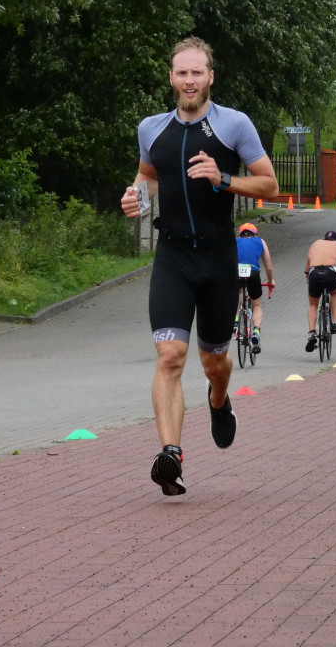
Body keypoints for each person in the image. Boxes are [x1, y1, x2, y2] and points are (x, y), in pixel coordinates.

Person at [120, 37, 279, 497]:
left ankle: (219, 399)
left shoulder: (234, 125)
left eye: (197, 73)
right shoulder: (151, 128)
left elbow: (269, 183)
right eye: (181, 73)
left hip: (217, 257)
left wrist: (223, 178)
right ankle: (171, 455)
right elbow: (148, 176)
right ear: (171, 78)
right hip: (172, 256)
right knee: (170, 355)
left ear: (211, 77)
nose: (189, 80)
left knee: (214, 362)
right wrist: (136, 198)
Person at [304, 231, 336, 352]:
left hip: (314, 273)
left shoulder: (315, 244)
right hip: (330, 273)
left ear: (324, 238)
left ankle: (312, 333)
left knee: (313, 304)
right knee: (334, 293)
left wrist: (309, 281)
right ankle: (335, 323)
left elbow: (307, 268)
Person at [235, 222, 274, 353]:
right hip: (253, 272)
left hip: (236, 272)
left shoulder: (234, 241)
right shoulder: (260, 241)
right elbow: (268, 266)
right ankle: (256, 331)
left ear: (240, 234)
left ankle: (235, 322)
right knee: (256, 305)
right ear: (255, 233)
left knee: (237, 295)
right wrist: (270, 281)